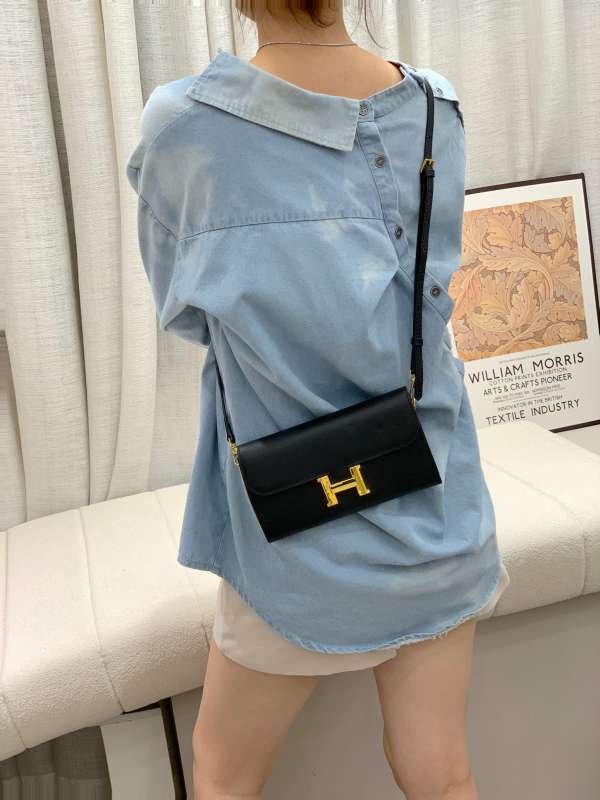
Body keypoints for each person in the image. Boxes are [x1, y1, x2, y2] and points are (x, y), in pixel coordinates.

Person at [126, 1, 511, 797]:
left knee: (224, 772)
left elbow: (185, 310)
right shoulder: (434, 107)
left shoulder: (185, 126)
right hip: (438, 503)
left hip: (296, 534)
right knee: (441, 774)